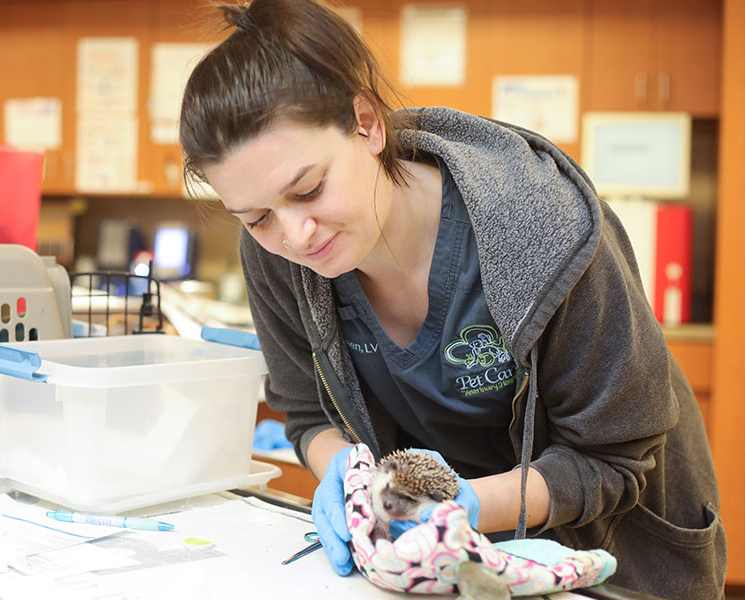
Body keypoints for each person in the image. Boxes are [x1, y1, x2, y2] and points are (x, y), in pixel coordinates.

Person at [178, 1, 726, 597]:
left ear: (367, 124)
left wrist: (460, 505)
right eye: (257, 217)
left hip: (615, 557)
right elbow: (308, 413)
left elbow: (612, 460)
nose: (295, 235)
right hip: (446, 561)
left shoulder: (541, 221)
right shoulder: (274, 257)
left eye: (308, 190)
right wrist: (344, 473)